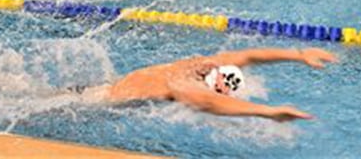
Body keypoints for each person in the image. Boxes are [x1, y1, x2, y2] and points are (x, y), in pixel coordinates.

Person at [69, 47, 338, 122]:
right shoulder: (184, 83)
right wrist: (267, 112)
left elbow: (249, 56)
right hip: (94, 106)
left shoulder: (198, 65)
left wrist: (299, 55)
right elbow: (209, 103)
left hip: (94, 90)